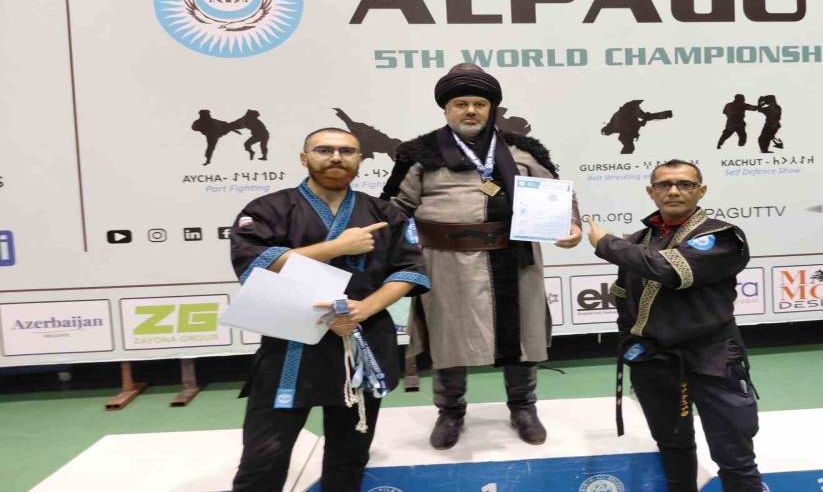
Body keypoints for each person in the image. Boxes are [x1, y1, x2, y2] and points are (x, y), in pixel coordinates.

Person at [380, 63, 581, 450]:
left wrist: (570, 226)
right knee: (448, 338)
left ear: (491, 108)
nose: (470, 111)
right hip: (446, 263)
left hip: (515, 259)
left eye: (479, 103)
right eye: (461, 104)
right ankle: (450, 411)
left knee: (521, 336)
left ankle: (523, 407)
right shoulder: (419, 154)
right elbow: (395, 208)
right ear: (446, 108)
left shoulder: (524, 151)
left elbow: (558, 195)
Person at [229, 127, 429, 491]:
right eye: (324, 150)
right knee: (264, 457)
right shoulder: (269, 209)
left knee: (349, 455)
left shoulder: (383, 212)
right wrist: (337, 247)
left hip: (359, 342)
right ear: (304, 158)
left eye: (347, 151)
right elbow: (256, 264)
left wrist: (364, 309)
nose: (336, 157)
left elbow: (409, 271)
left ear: (360, 160)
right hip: (290, 347)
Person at [584, 159, 763, 492]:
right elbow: (623, 298)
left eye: (685, 184)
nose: (674, 191)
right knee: (673, 449)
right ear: (651, 192)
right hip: (655, 362)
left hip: (712, 359)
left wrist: (606, 243)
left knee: (735, 457)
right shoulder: (638, 240)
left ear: (701, 191)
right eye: (664, 184)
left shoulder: (721, 236)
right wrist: (631, 343)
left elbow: (670, 270)